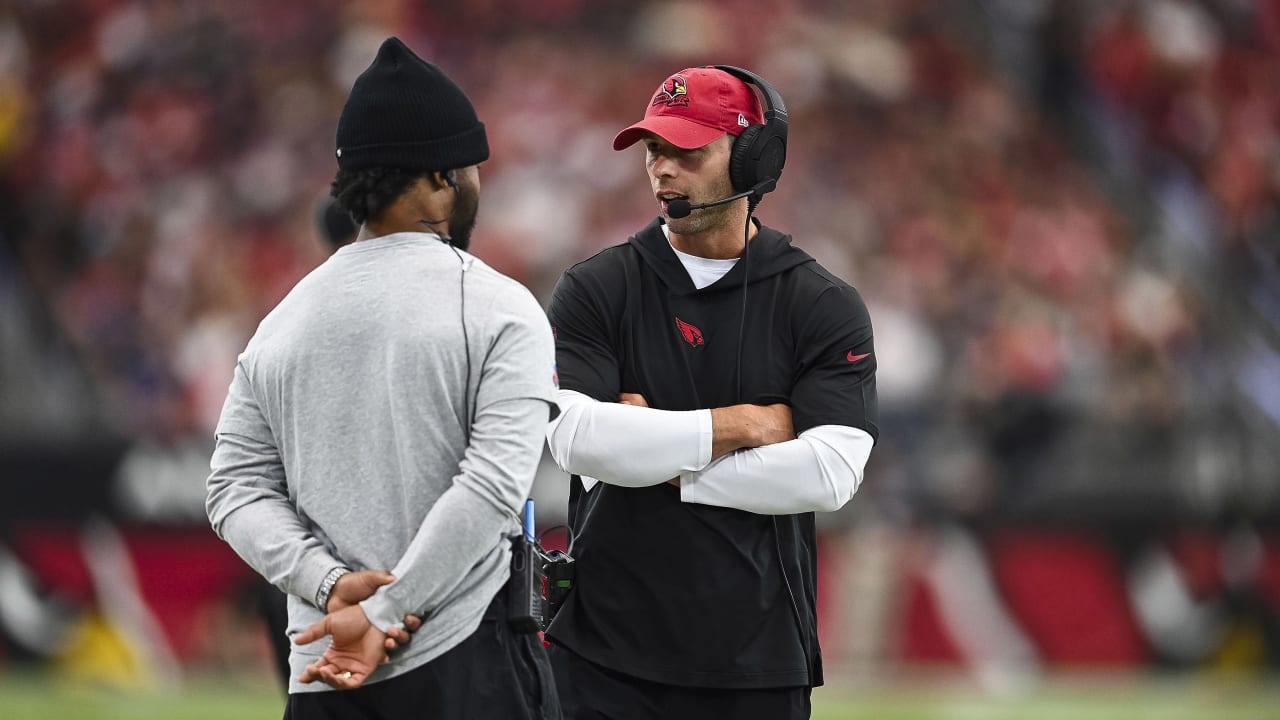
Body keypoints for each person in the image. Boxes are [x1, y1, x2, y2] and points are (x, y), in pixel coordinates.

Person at [206, 37, 560, 719]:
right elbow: (493, 486)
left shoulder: (283, 320)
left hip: (324, 671)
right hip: (466, 661)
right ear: (438, 178)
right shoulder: (497, 305)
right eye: (470, 167)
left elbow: (232, 489)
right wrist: (385, 612)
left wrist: (330, 584)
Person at [543, 65, 878, 719]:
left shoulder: (821, 303)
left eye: (687, 150)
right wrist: (742, 425)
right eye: (654, 150)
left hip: (757, 663)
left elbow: (829, 474)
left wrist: (667, 467)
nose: (663, 168)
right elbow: (578, 442)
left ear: (754, 157)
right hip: (601, 655)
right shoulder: (595, 288)